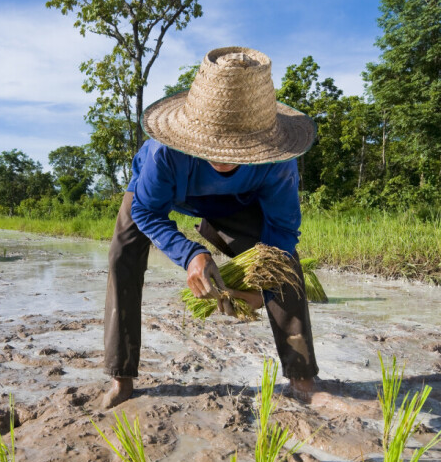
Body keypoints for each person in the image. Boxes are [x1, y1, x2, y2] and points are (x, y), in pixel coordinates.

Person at [102, 47, 320, 409]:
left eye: (237, 147)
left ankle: (303, 379)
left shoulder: (278, 164)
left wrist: (259, 287)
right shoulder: (164, 154)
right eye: (215, 143)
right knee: (122, 254)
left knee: (283, 263)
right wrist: (191, 254)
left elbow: (281, 231)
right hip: (159, 194)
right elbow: (147, 209)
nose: (223, 156)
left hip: (234, 200)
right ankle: (121, 375)